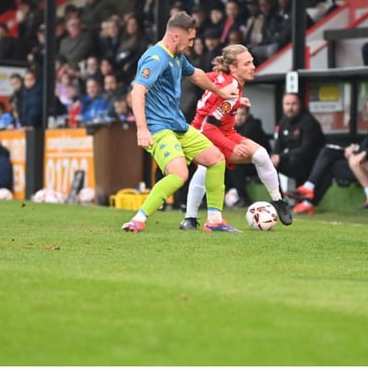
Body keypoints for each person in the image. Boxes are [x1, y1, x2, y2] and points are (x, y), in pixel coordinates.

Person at [121, 12, 240, 234]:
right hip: (159, 128)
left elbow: (196, 75)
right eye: (190, 39)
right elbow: (137, 91)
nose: (192, 44)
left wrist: (220, 92)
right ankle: (138, 219)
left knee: (216, 159)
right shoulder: (156, 58)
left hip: (178, 126)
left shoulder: (176, 56)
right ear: (176, 36)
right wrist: (142, 129)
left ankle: (214, 220)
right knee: (179, 174)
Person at [179, 44, 292, 230]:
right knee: (209, 168)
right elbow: (210, 127)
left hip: (218, 130)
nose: (253, 66)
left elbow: (209, 82)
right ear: (233, 68)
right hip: (204, 132)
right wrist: (231, 146)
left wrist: (238, 101)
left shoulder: (223, 78)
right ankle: (196, 218)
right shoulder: (230, 89)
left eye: (252, 62)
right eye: (247, 63)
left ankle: (190, 219)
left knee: (259, 155)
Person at [287, 93, 368, 215]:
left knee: (365, 157)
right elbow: (367, 143)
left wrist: (364, 152)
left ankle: (309, 193)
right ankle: (309, 195)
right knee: (330, 157)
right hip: (367, 169)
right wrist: (356, 149)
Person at [271, 92, 326, 188]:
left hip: (312, 163)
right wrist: (274, 157)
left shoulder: (309, 122)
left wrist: (281, 157)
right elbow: (279, 145)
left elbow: (306, 150)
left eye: (294, 104)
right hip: (295, 160)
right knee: (269, 164)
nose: (290, 108)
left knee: (294, 160)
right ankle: (278, 199)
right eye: (287, 104)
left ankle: (301, 193)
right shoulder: (284, 122)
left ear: (300, 104)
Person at [224, 105, 270, 206]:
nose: (239, 117)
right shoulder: (231, 127)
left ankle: (244, 198)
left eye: (242, 114)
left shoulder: (253, 126)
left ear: (248, 115)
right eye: (237, 114)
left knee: (233, 164)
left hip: (258, 163)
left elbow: (240, 147)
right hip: (247, 161)